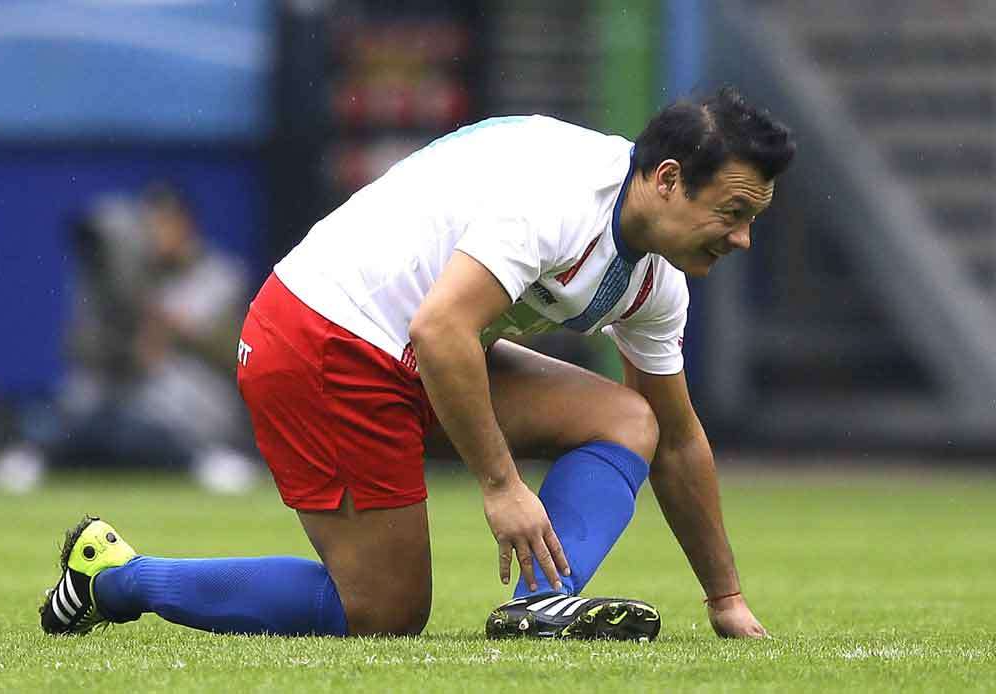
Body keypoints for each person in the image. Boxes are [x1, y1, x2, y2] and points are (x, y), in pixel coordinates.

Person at [40, 87, 795, 641]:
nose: (741, 241)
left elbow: (680, 437)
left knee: (633, 419)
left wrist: (724, 598)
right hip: (320, 335)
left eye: (752, 220)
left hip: (417, 347)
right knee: (382, 614)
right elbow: (440, 331)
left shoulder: (657, 276)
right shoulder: (562, 195)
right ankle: (113, 578)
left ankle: (540, 605)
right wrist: (502, 486)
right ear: (665, 179)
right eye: (732, 214)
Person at [0, 184, 257, 495]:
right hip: (122, 395)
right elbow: (81, 349)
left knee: (169, 395)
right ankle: (38, 458)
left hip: (189, 402)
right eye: (146, 226)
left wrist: (164, 329)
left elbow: (230, 350)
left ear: (186, 225)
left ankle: (206, 461)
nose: (152, 235)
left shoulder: (220, 273)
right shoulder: (116, 279)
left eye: (163, 224)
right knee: (84, 400)